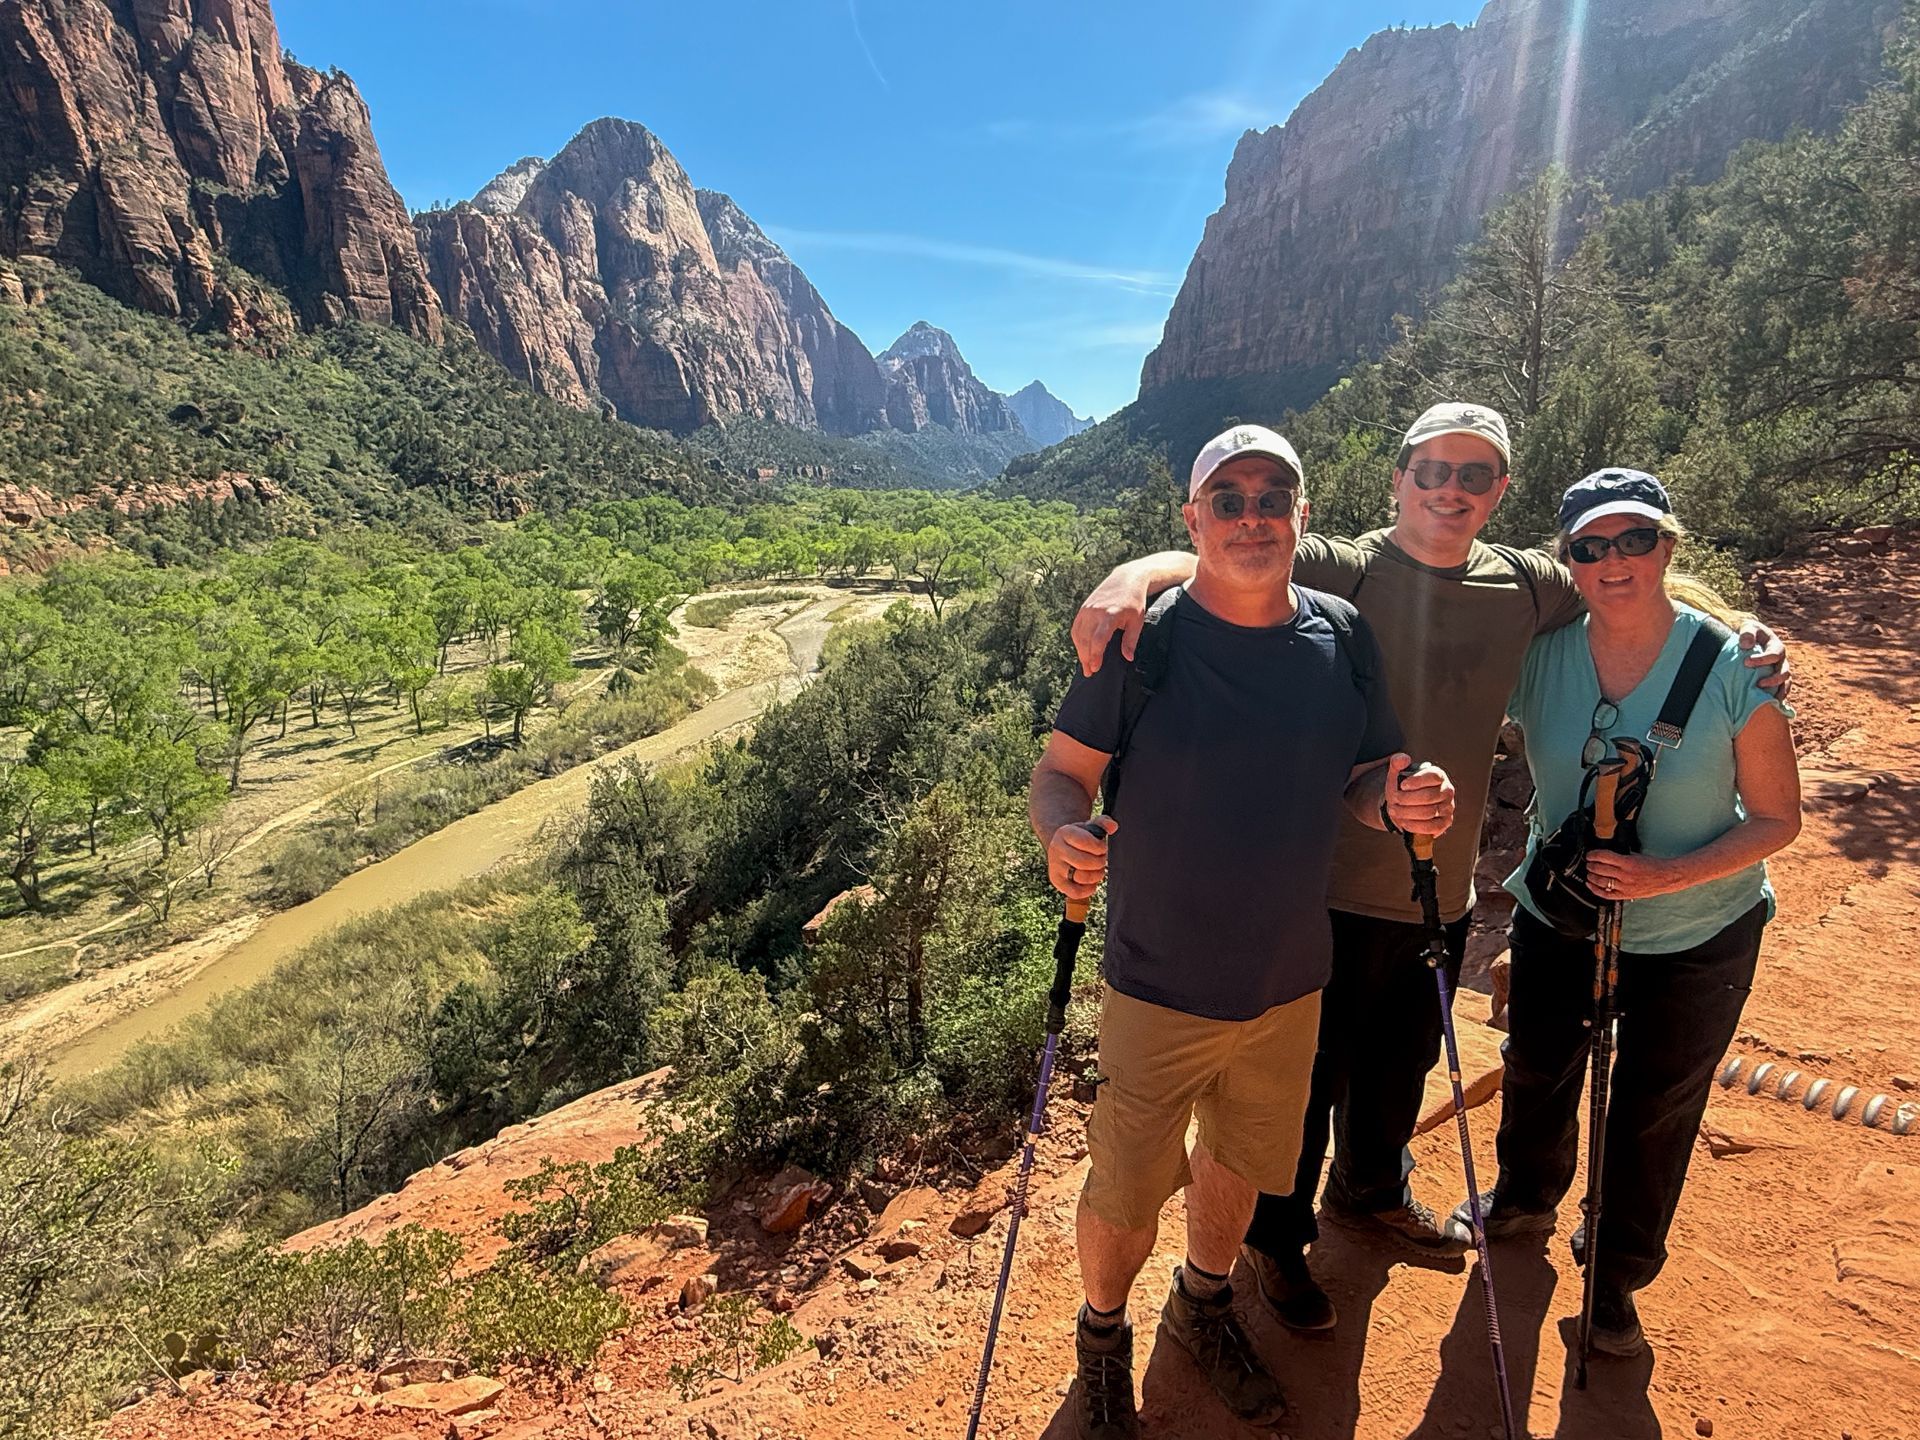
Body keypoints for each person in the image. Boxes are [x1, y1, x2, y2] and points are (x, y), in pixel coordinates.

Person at [1070, 404, 1790, 1334]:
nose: (1451, 490)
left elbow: (1635, 590)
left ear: (1499, 491)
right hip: (1320, 890)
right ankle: (1276, 1247)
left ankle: (1370, 1189)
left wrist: (1743, 632)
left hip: (1435, 884)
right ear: (1399, 479)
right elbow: (1232, 545)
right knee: (1302, 1088)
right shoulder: (1347, 566)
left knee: (1399, 1065)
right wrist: (1131, 575)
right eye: (1433, 471)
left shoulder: (1528, 584)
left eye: (1474, 474)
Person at [1031, 424, 1456, 1439]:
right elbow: (1062, 774)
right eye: (1230, 499)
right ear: (1194, 519)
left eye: (1273, 498)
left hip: (1288, 983)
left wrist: (1398, 801)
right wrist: (1061, 838)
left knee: (1236, 1162)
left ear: (1302, 515)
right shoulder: (1143, 641)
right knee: (1126, 1190)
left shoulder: (1342, 636)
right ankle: (1102, 1338)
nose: (1252, 516)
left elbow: (1362, 777)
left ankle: (1204, 1301)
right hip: (1156, 982)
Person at [1443, 468, 1800, 1356]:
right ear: (1568, 561)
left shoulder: (1732, 665)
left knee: (1654, 1104)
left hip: (1700, 932)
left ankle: (1615, 1276)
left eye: (1634, 539)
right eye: (1590, 546)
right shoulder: (1542, 656)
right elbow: (1447, 666)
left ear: (1666, 547)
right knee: (1538, 1066)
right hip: (1560, 914)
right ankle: (1524, 1199)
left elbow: (1777, 819)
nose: (1614, 560)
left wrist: (1663, 877)